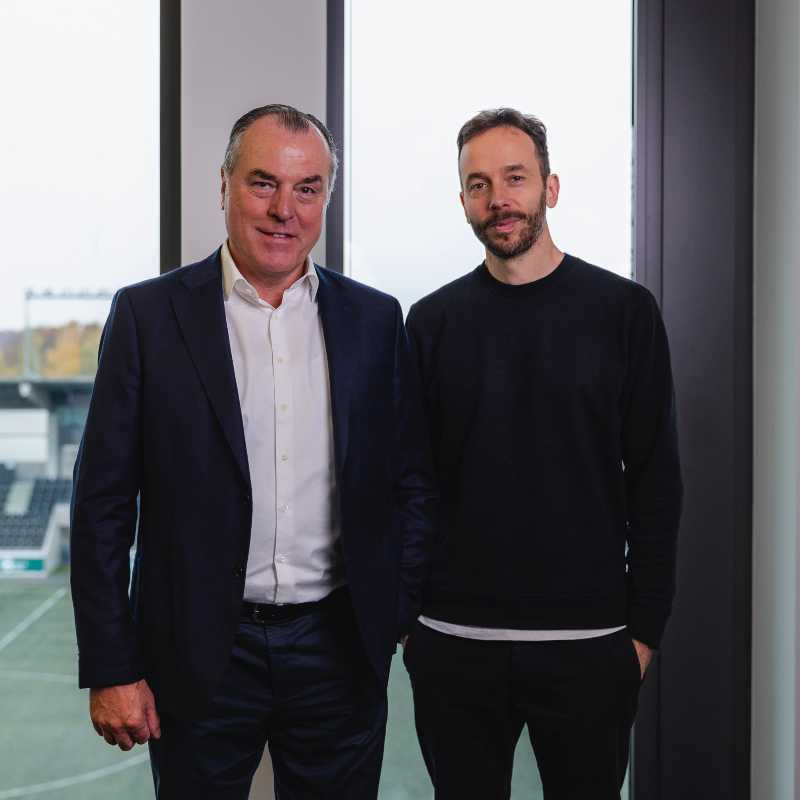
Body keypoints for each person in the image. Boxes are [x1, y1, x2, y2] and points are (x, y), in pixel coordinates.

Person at [70, 104, 436, 799]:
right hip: (200, 651)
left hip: (338, 648)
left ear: (326, 196)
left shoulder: (374, 319)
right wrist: (112, 666)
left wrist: (391, 612)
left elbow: (411, 482)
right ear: (225, 186)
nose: (283, 211)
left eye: (307, 189)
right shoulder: (148, 317)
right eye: (263, 183)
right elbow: (101, 505)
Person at [403, 108, 682, 800]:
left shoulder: (624, 313)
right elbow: (409, 482)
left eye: (515, 178)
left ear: (549, 188)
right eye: (478, 183)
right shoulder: (431, 323)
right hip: (454, 644)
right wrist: (412, 629)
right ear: (463, 199)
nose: (498, 198)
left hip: (589, 646)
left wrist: (642, 633)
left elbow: (656, 481)